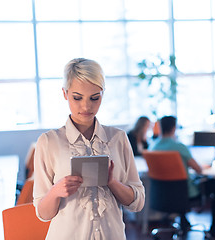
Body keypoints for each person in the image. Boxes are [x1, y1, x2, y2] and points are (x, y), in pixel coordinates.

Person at [33, 58, 145, 240]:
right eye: (77, 98)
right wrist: (56, 191)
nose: (86, 106)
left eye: (95, 98)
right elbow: (43, 214)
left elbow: (138, 203)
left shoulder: (118, 138)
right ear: (65, 93)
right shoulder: (48, 142)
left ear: (102, 94)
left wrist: (112, 182)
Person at [151, 115, 215, 238]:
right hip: (184, 195)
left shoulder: (153, 147)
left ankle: (184, 220)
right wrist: (204, 167)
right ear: (174, 128)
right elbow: (198, 169)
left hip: (162, 196)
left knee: (182, 184)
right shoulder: (179, 147)